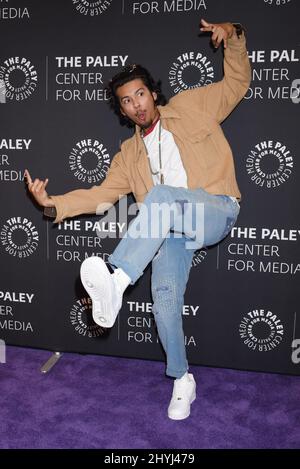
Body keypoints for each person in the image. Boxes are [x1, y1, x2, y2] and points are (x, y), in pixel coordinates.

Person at [25, 19, 251, 420]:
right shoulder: (128, 156)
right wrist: (51, 203)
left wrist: (232, 35)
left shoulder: (191, 108)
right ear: (122, 109)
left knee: (160, 197)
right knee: (163, 300)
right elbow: (99, 195)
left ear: (153, 92)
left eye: (141, 94)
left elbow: (236, 85)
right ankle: (182, 379)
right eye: (127, 101)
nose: (137, 104)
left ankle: (116, 278)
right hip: (172, 232)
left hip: (214, 209)